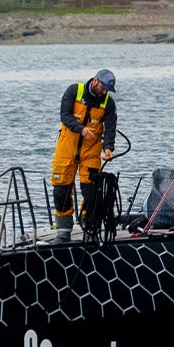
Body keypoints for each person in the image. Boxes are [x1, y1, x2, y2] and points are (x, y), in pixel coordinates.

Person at [50, 70, 117, 242]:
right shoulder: (73, 91)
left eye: (108, 90)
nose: (104, 92)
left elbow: (110, 128)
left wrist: (108, 148)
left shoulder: (108, 104)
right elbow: (65, 116)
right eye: (103, 87)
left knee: (92, 191)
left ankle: (90, 227)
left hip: (91, 151)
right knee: (61, 189)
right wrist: (82, 129)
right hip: (66, 149)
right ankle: (63, 230)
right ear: (95, 81)